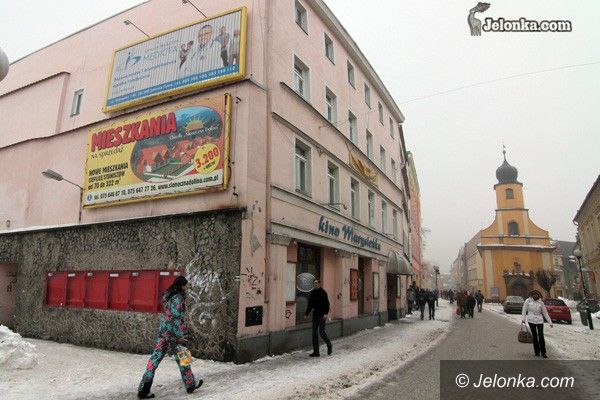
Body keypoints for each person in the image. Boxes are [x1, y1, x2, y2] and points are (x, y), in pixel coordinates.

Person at [137, 276, 203, 399]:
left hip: (163, 332)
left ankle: (143, 389)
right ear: (182, 285)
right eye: (186, 285)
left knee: (154, 359)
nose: (187, 287)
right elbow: (175, 317)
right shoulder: (178, 298)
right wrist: (177, 337)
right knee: (184, 358)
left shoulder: (169, 296)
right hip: (174, 333)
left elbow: (168, 317)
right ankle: (190, 384)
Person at [304, 279, 332, 357]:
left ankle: (329, 344)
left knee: (321, 332)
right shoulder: (313, 292)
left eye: (316, 283)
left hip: (322, 315)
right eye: (314, 283)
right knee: (314, 333)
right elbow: (310, 304)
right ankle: (316, 352)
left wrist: (326, 313)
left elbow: (327, 304)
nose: (315, 284)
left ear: (319, 284)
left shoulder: (323, 292)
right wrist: (306, 313)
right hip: (315, 315)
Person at [521, 289, 553, 358]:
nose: (535, 296)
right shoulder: (528, 301)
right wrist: (523, 319)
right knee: (534, 336)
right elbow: (524, 310)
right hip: (531, 320)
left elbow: (545, 313)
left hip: (539, 320)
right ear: (532, 295)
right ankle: (537, 351)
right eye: (534, 295)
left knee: (541, 335)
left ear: (538, 295)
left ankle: (543, 352)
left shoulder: (541, 302)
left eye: (536, 295)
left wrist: (550, 322)